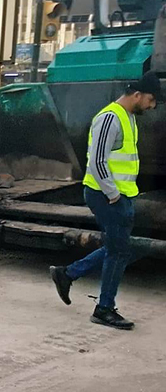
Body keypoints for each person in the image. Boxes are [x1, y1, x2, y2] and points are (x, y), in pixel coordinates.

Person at [49, 72, 161, 330]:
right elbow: (97, 161)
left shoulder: (129, 117)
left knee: (118, 248)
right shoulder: (110, 118)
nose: (152, 106)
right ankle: (103, 308)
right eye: (151, 99)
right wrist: (113, 195)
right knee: (119, 250)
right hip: (105, 195)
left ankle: (67, 274)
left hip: (121, 194)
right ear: (137, 94)